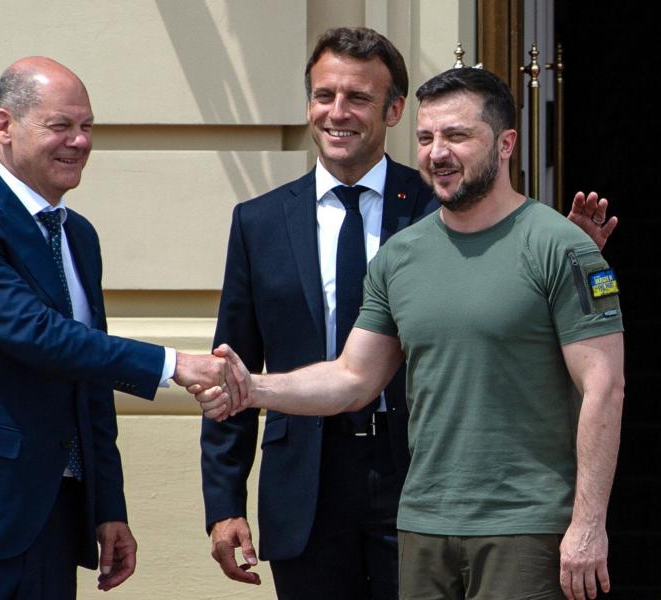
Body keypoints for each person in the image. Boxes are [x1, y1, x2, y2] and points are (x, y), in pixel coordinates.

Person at [200, 27, 615, 599]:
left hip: (485, 507)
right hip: (374, 509)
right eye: (427, 137)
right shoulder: (360, 244)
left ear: (505, 143)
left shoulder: (510, 225)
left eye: (457, 135)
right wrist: (248, 401)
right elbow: (348, 374)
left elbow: (601, 383)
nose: (438, 152)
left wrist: (588, 524)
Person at [0, 56, 238, 600]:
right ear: (3, 126)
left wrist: (107, 508)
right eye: (60, 126)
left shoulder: (78, 236)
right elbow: (37, 335)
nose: (79, 141)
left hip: (51, 516)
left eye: (87, 126)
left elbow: (86, 382)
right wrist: (173, 364)